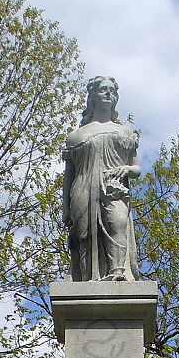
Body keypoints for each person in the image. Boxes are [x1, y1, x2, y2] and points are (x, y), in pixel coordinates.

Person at [62, 76, 141, 281]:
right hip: (83, 188)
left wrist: (126, 169)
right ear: (93, 96)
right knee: (84, 236)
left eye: (113, 91)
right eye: (103, 90)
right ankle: (87, 280)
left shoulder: (124, 132)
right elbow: (68, 176)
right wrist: (65, 208)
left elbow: (136, 168)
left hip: (114, 187)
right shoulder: (76, 136)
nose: (109, 94)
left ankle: (118, 273)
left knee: (117, 223)